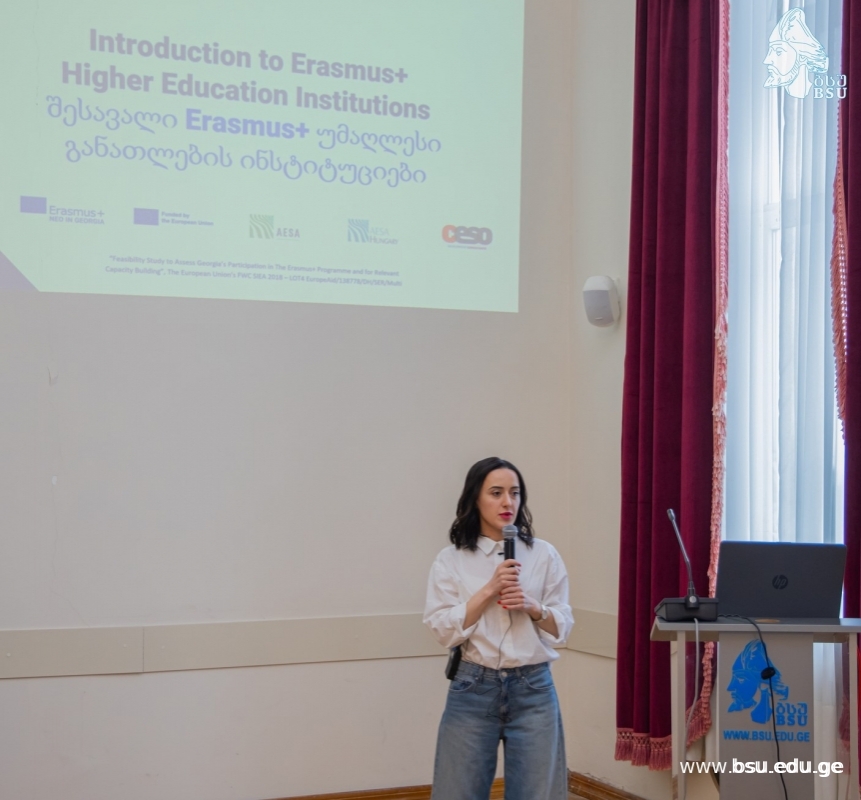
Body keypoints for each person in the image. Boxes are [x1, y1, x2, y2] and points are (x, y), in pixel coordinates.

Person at [424, 456, 573, 800]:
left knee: (538, 794)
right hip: (473, 687)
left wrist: (533, 607)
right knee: (457, 793)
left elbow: (562, 627)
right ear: (475, 498)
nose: (508, 502)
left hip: (533, 688)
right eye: (496, 493)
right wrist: (489, 590)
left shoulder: (543, 555)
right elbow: (442, 629)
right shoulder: (451, 559)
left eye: (515, 493)